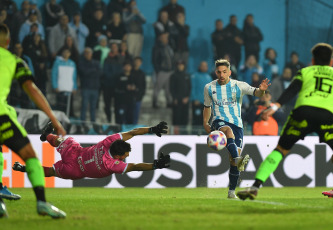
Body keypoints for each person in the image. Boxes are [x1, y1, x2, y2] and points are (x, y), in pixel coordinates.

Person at [237, 43, 333, 200]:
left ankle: (255, 187)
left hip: (303, 113)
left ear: (313, 60)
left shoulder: (305, 71)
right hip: (328, 116)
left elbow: (291, 91)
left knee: (281, 150)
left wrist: (274, 107)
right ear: (331, 61)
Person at [0, 23, 66, 218]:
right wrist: (53, 118)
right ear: (9, 42)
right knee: (30, 157)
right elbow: (32, 89)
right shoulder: (14, 61)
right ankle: (42, 203)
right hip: (1, 117)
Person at [203, 59, 270, 199]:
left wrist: (262, 90)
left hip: (237, 124)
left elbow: (256, 93)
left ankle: (231, 192)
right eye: (219, 72)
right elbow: (207, 106)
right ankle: (239, 159)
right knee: (227, 131)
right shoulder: (209, 87)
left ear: (230, 72)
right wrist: (205, 122)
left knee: (232, 161)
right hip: (219, 121)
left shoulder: (239, 85)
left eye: (224, 72)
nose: (221, 75)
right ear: (216, 72)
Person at [13, 121, 170, 180]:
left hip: (75, 153)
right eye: (124, 156)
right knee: (51, 172)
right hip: (74, 171)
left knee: (66, 141)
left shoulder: (108, 141)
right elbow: (135, 166)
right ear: (117, 156)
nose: (125, 158)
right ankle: (23, 169)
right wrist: (155, 165)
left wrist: (152, 128)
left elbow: (133, 132)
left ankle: (47, 136)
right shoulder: (112, 164)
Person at [190, 61, 212, 126]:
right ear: (200, 67)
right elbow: (192, 88)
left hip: (206, 104)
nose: (205, 67)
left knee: (206, 121)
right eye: (203, 66)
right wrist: (194, 99)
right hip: (198, 102)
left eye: (206, 66)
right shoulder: (194, 76)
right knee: (197, 120)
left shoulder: (209, 77)